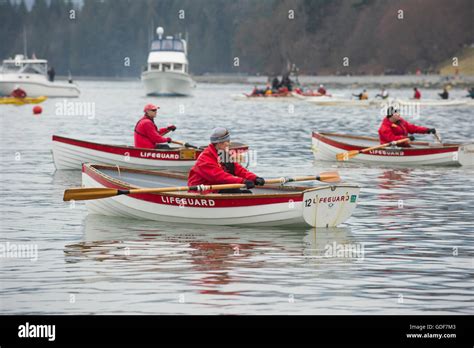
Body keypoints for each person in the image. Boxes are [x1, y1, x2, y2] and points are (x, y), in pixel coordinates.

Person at [187, 127, 265, 194]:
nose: (229, 144)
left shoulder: (223, 153)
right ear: (219, 143)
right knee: (238, 193)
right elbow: (220, 177)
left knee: (246, 193)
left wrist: (254, 178)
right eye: (227, 142)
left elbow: (238, 169)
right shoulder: (205, 159)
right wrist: (243, 181)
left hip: (217, 187)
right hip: (201, 191)